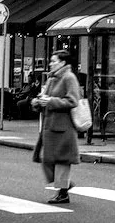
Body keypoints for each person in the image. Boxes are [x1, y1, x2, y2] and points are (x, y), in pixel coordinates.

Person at [31, 47, 83, 204]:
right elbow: (45, 98)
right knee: (47, 160)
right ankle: (64, 185)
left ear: (62, 63)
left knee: (61, 160)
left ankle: (63, 193)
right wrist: (38, 102)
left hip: (63, 127)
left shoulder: (69, 78)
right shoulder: (52, 79)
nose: (50, 64)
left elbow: (73, 100)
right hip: (50, 126)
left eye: (53, 61)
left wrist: (50, 101)